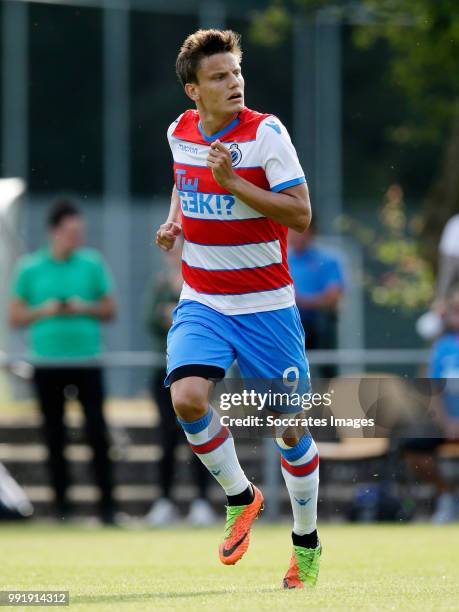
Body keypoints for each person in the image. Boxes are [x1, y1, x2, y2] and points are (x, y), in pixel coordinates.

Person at [155, 29, 320, 588]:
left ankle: (306, 543)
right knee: (187, 397)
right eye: (219, 77)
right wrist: (176, 219)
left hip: (266, 307)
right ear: (192, 91)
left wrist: (234, 184)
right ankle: (241, 497)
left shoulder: (266, 134)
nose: (234, 83)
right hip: (202, 298)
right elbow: (186, 179)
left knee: (289, 431)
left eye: (236, 73)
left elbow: (300, 215)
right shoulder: (180, 132)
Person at [9, 199, 117, 524]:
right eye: (71, 232)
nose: (76, 237)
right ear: (54, 232)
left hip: (86, 361)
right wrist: (46, 310)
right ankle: (62, 510)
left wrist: (82, 307)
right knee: (54, 436)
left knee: (97, 434)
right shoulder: (30, 268)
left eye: (79, 232)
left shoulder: (92, 263)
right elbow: (15, 316)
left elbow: (109, 309)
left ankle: (107, 509)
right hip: (47, 364)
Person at [144, 240, 216, 526]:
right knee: (166, 437)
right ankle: (164, 502)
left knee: (199, 436)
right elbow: (150, 319)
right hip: (163, 371)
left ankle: (201, 502)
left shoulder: (203, 281)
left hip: (198, 372)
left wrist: (175, 313)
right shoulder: (160, 283)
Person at [403, 285, 459, 523]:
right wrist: (447, 423)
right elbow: (433, 390)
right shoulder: (441, 346)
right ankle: (447, 495)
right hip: (447, 423)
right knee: (413, 447)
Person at [288, 220, 345, 379]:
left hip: (319, 325)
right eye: (291, 231)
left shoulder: (328, 260)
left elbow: (332, 298)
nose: (296, 236)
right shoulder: (280, 262)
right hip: (290, 324)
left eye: (301, 231)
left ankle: (327, 397)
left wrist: (297, 301)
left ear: (313, 233)